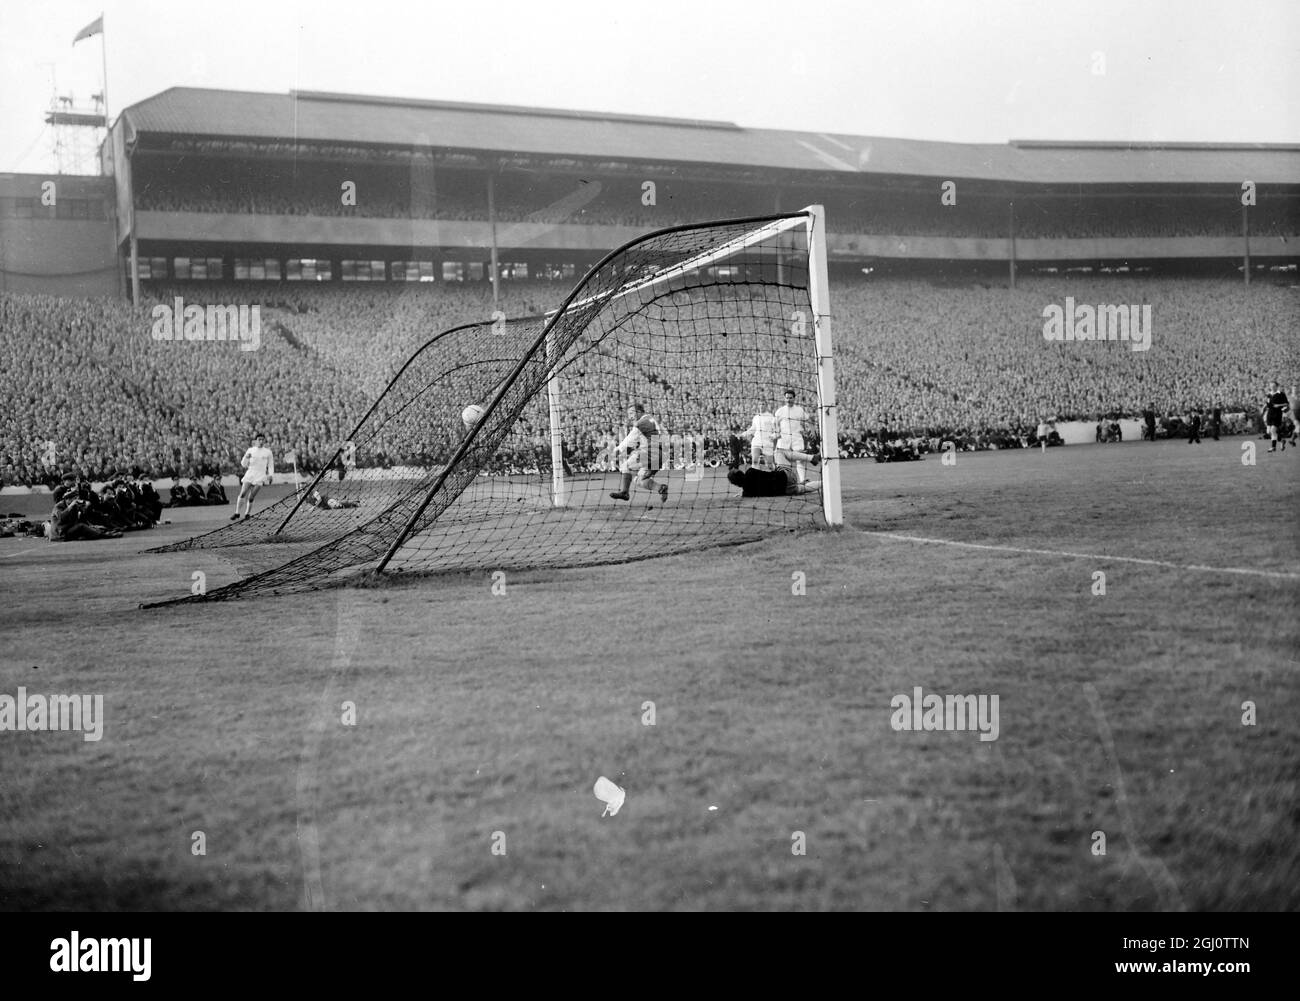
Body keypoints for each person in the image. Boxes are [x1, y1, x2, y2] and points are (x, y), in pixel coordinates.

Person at [609, 404, 668, 506]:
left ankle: (625, 493)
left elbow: (630, 438)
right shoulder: (651, 420)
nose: (630, 416)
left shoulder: (642, 422)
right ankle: (661, 488)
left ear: (640, 412)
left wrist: (618, 450)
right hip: (659, 455)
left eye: (632, 413)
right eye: (628, 414)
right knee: (639, 480)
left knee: (626, 466)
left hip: (650, 453)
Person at [773, 389, 817, 483]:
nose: (789, 400)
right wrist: (776, 433)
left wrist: (812, 431)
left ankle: (802, 480)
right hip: (784, 438)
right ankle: (785, 480)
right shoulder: (780, 411)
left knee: (800, 460)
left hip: (797, 437)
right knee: (783, 461)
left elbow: (809, 420)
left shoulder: (799, 410)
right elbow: (774, 424)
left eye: (790, 398)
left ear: (794, 398)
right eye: (787, 398)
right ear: (784, 398)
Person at [233, 432, 274, 519]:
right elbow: (243, 464)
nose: (261, 441)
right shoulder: (250, 450)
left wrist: (270, 475)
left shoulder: (268, 452)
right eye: (259, 440)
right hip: (250, 474)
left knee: (251, 497)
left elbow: (270, 465)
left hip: (260, 475)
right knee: (243, 493)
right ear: (255, 441)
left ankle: (247, 513)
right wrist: (246, 457)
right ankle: (237, 512)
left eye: (263, 440)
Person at [1263, 381, 1289, 452]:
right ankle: (1282, 441)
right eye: (1271, 386)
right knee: (1269, 432)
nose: (1272, 387)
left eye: (1274, 386)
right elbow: (1268, 404)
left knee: (1273, 430)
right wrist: (1264, 408)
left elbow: (1286, 404)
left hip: (1277, 414)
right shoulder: (1269, 395)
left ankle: (1273, 447)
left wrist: (1279, 405)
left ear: (1277, 386)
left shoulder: (1281, 394)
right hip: (1270, 414)